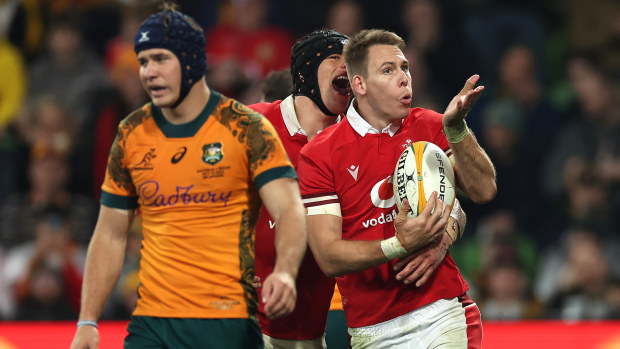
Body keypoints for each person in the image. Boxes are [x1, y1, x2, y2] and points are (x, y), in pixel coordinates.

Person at [69, 3, 307, 349]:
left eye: (161, 59)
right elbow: (110, 233)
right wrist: (88, 320)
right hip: (152, 325)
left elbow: (289, 210)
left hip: (227, 322)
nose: (149, 72)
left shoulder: (245, 127)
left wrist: (285, 270)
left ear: (193, 61)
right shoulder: (132, 133)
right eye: (143, 61)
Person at [297, 29, 496, 348]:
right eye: (388, 70)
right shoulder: (320, 154)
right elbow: (329, 255)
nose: (404, 78)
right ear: (359, 84)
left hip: (441, 310)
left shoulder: (429, 125)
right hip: (372, 329)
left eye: (405, 68)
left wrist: (456, 130)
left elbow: (483, 190)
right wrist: (400, 244)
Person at [249, 29, 351, 349]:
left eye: (353, 60)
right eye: (335, 57)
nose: (347, 66)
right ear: (307, 69)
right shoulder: (250, 124)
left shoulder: (355, 142)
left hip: (313, 336)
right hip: (245, 327)